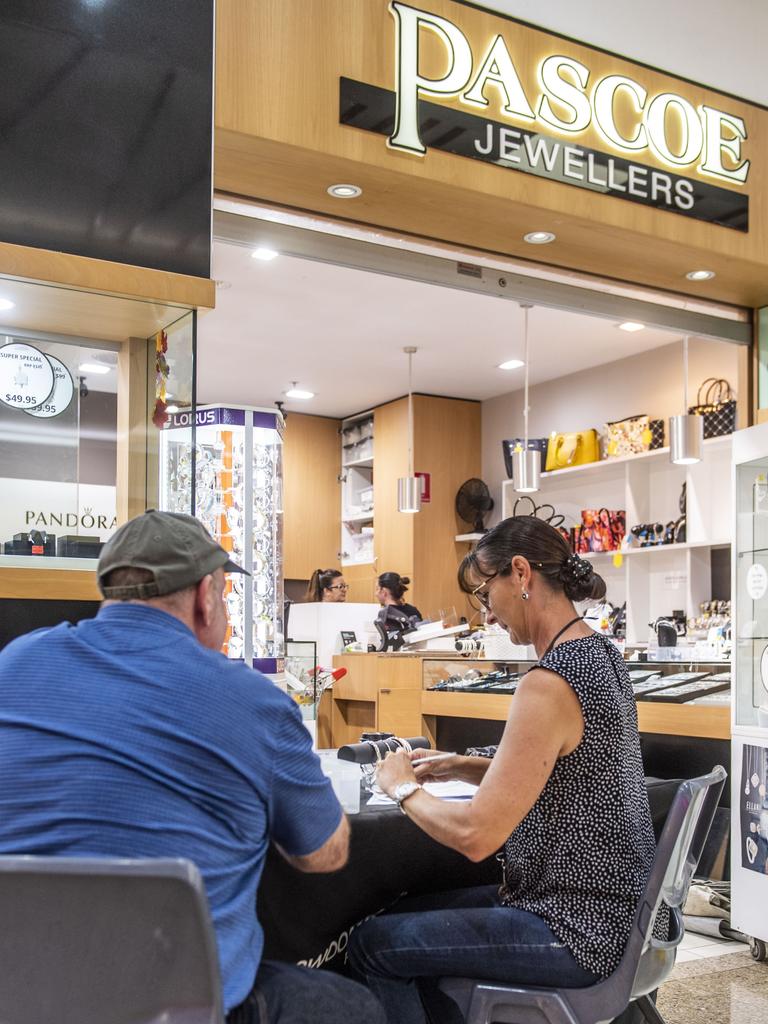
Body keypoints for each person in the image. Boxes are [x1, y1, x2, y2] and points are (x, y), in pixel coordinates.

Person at [0, 510, 385, 1024]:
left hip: (23, 995)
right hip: (182, 1007)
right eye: (226, 594)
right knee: (353, 1005)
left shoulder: (16, 663)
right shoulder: (251, 701)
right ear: (206, 595)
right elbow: (323, 854)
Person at [348, 515, 666, 1024]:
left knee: (371, 945)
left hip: (574, 925)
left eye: (483, 593)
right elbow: (568, 770)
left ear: (520, 574)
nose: (487, 616)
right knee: (399, 915)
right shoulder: (601, 654)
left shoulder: (548, 682)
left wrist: (400, 785)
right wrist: (464, 766)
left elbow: (476, 836)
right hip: (615, 913)